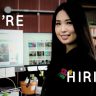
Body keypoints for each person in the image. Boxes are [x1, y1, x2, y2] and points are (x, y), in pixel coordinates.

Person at [41, 0, 96, 96]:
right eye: (58, 24)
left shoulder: (85, 62)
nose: (62, 29)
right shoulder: (63, 58)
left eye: (69, 22)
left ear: (80, 25)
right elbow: (61, 77)